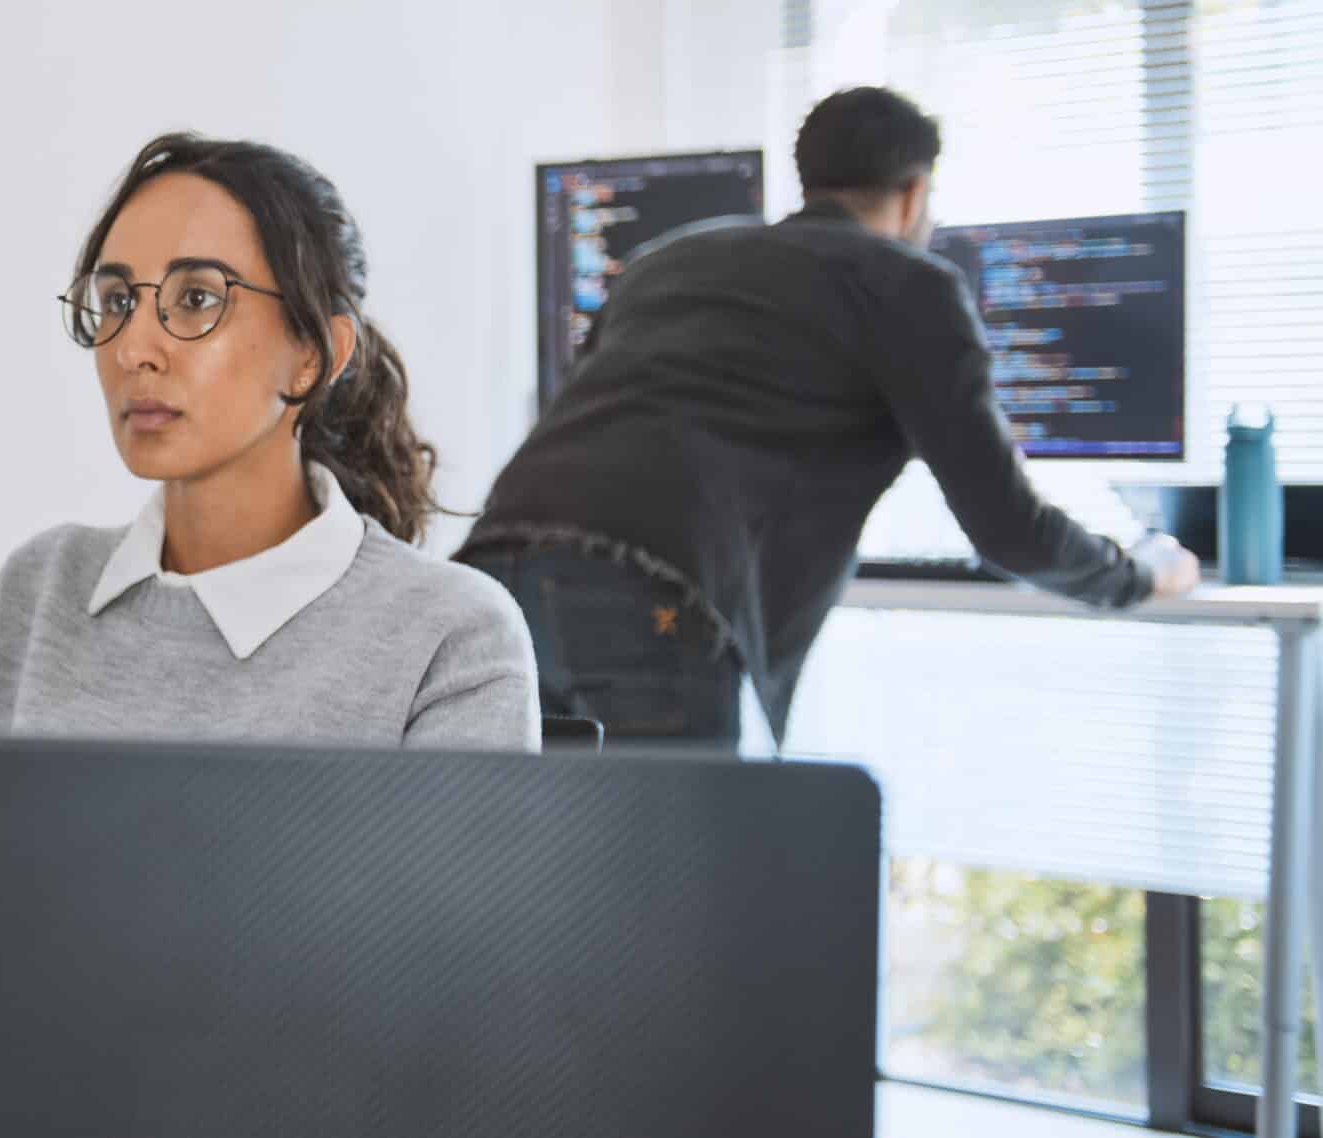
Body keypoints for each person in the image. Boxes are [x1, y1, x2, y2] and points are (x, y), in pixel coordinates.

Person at [456, 86, 1200, 749]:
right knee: (685, 889)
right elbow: (1006, 527)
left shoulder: (663, 261)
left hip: (493, 573)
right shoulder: (911, 285)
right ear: (913, 196)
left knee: (532, 876)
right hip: (652, 598)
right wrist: (1139, 573)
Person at [0, 133, 540, 750]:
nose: (132, 350)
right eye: (118, 300)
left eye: (197, 298)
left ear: (315, 355)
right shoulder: (39, 588)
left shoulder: (451, 635)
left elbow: (460, 862)